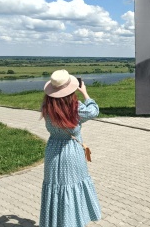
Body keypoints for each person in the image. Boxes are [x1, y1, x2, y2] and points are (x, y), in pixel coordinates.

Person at [39, 69, 101, 227]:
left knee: (56, 189)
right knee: (72, 188)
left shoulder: (47, 107)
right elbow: (94, 111)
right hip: (72, 151)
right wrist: (85, 93)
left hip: (53, 151)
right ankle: (72, 222)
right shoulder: (76, 108)